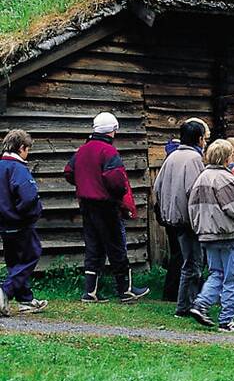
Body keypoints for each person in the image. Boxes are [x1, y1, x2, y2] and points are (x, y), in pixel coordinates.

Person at [64, 112, 149, 304]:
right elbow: (116, 180)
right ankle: (125, 290)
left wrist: (83, 183)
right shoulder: (108, 151)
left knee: (93, 246)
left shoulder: (82, 150)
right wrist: (118, 196)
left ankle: (90, 292)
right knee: (116, 246)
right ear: (112, 131)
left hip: (86, 204)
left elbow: (68, 172)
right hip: (106, 205)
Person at [187, 139, 234, 332]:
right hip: (228, 233)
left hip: (207, 234)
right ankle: (227, 320)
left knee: (216, 273)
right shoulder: (226, 179)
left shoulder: (201, 177)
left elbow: (193, 207)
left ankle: (201, 304)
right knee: (233, 278)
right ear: (226, 157)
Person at [152, 119, 207, 318]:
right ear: (200, 139)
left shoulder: (172, 157)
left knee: (188, 262)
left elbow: (157, 188)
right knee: (192, 264)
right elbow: (195, 192)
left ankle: (187, 304)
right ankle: (187, 305)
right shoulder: (194, 159)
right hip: (188, 219)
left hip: (173, 218)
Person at [0, 129, 47, 316]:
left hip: (4, 224)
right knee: (32, 255)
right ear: (21, 148)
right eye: (28, 149)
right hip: (20, 222)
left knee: (14, 262)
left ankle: (25, 300)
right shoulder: (17, 169)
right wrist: (28, 214)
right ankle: (5, 290)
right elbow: (28, 197)